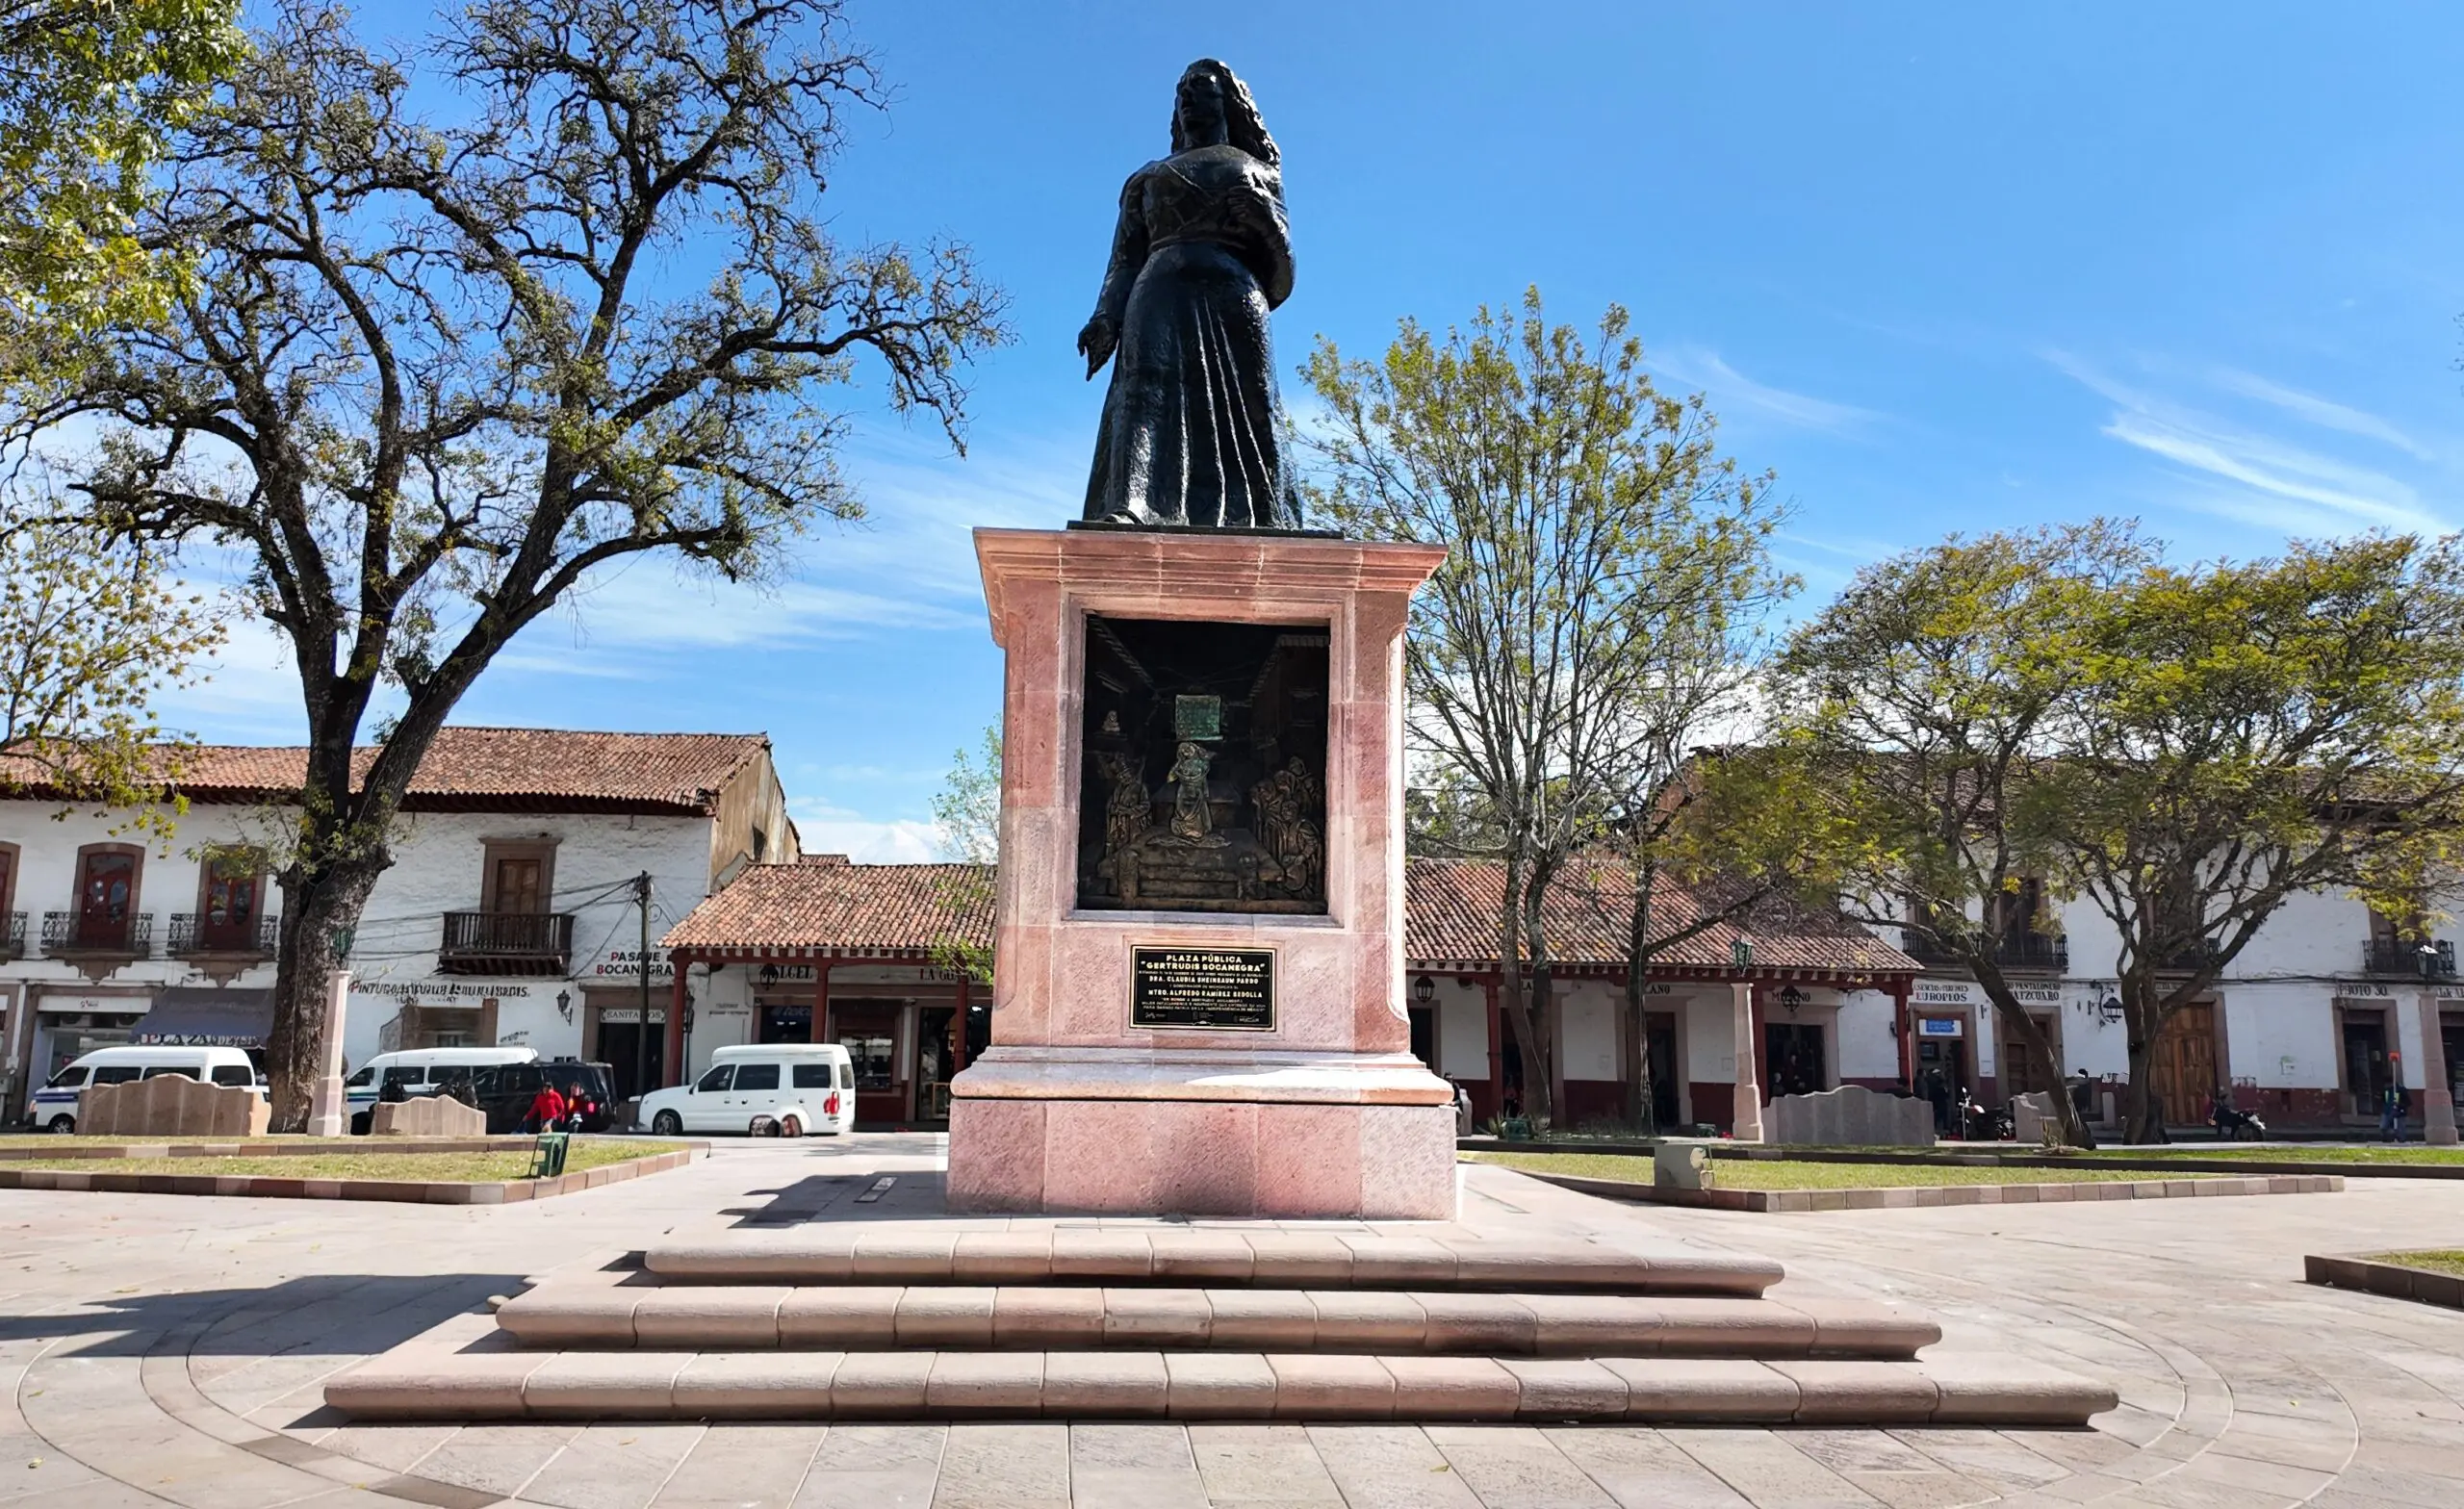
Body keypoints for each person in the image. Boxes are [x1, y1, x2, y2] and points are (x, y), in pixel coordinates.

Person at [1077, 60, 1303, 528]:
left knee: (1255, 400)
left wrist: (1265, 224)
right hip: (1158, 292)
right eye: (1182, 91)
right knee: (1143, 391)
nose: (1188, 98)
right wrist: (1105, 317)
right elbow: (1123, 261)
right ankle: (1133, 503)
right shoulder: (1147, 178)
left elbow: (1282, 277)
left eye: (1201, 88)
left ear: (1227, 102)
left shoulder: (1260, 174)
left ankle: (1269, 514)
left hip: (1234, 295)